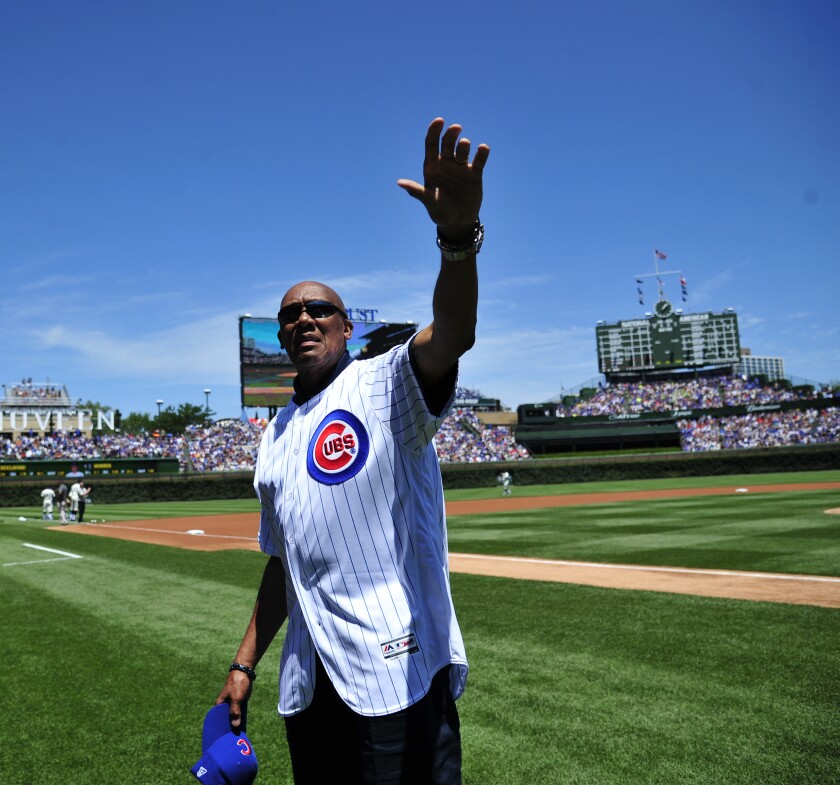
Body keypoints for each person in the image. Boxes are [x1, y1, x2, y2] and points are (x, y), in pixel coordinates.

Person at [215, 117, 489, 785]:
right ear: (280, 338)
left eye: (319, 309)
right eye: (290, 314)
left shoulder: (386, 381)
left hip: (395, 673)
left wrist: (456, 240)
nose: (303, 317)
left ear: (344, 326)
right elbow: (285, 564)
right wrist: (246, 662)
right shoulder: (274, 438)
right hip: (311, 687)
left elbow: (453, 331)